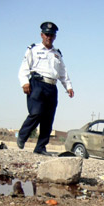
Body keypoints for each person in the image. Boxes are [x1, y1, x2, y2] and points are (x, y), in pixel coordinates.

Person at [17, 22, 74, 155]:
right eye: (47, 34)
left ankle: (40, 147)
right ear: (42, 35)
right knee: (36, 113)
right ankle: (22, 135)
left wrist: (69, 87)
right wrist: (24, 82)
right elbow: (24, 67)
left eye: (52, 35)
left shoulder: (57, 54)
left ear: (55, 37)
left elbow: (63, 73)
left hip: (52, 87)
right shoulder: (33, 49)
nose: (49, 37)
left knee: (48, 119)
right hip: (37, 84)